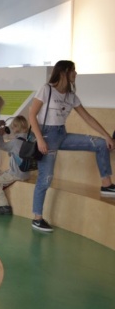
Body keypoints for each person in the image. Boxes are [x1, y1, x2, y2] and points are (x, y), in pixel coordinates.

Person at [28, 60, 115, 232]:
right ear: (64, 72)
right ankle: (37, 218)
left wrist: (106, 135)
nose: (76, 74)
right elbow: (32, 115)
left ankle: (106, 185)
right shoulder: (46, 89)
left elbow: (88, 118)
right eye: (73, 71)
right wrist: (40, 139)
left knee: (99, 143)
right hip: (47, 136)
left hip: (62, 134)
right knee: (45, 178)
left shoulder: (71, 96)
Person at [0, 115, 31, 215]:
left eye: (13, 126)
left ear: (17, 127)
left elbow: (2, 146)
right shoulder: (29, 139)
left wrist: (0, 135)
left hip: (16, 173)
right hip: (25, 173)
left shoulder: (15, 142)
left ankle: (3, 206)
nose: (12, 128)